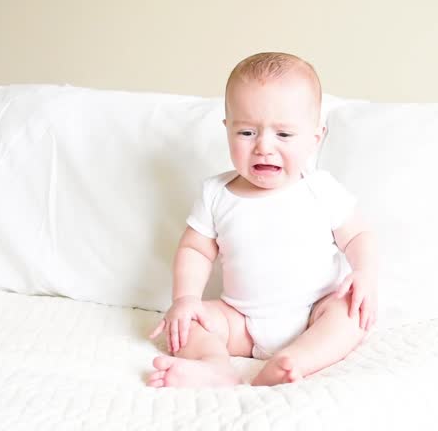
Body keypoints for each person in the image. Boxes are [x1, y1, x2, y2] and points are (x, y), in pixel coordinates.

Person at [147, 52, 377, 387]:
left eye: (283, 135)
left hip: (314, 312)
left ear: (315, 139)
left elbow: (357, 236)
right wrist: (186, 299)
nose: (264, 147)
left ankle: (297, 359)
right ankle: (215, 367)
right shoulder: (216, 193)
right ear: (227, 130)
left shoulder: (320, 189)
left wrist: (364, 274)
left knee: (352, 314)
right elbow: (196, 250)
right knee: (186, 325)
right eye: (246, 133)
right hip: (240, 320)